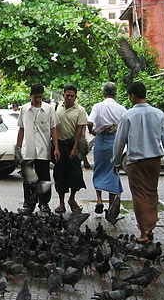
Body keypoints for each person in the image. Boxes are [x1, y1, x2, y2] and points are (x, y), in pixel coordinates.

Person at [112, 81, 164, 243]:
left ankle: (143, 232)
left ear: (132, 96)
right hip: (154, 161)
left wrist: (116, 161)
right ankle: (151, 227)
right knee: (151, 192)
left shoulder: (128, 115)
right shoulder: (159, 114)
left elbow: (119, 141)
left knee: (139, 195)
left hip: (135, 161)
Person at [15, 83, 60, 214]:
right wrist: (17, 148)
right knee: (28, 179)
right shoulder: (24, 109)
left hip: (43, 150)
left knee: (44, 178)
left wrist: (56, 148)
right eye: (35, 97)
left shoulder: (49, 109)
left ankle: (44, 203)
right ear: (31, 96)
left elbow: (53, 129)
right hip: (28, 150)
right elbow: (21, 129)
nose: (38, 99)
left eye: (40, 97)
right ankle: (28, 205)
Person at [86, 82, 126, 215]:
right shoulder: (122, 109)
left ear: (104, 93)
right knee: (112, 171)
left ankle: (98, 200)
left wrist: (92, 131)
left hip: (101, 141)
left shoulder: (98, 106)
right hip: (115, 142)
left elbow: (89, 122)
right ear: (115, 94)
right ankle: (110, 206)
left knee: (98, 170)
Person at [53, 84, 87, 213]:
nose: (69, 98)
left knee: (75, 175)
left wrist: (75, 148)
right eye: (67, 95)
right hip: (60, 146)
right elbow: (54, 128)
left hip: (73, 145)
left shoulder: (80, 110)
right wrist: (56, 147)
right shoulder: (56, 108)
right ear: (63, 95)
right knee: (60, 175)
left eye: (72, 96)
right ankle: (61, 203)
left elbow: (80, 130)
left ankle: (72, 199)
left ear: (75, 97)